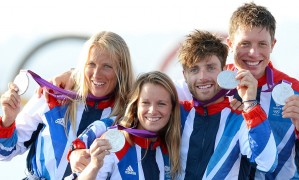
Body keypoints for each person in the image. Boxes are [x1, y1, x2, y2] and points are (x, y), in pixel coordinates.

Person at [0, 31, 134, 179]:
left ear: (122, 70)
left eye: (107, 66)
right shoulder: (54, 96)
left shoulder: (128, 116)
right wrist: (8, 120)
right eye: (91, 64)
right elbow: (5, 152)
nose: (96, 74)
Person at [177, 29, 277, 179]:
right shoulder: (176, 113)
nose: (203, 77)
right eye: (194, 69)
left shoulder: (240, 117)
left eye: (210, 68)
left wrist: (250, 104)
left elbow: (267, 163)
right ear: (185, 75)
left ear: (224, 70)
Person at [224, 3, 299, 179]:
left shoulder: (294, 90)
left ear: (273, 45)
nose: (253, 52)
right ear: (230, 44)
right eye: (245, 43)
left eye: (262, 44)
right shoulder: (214, 87)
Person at [66, 71, 181, 180]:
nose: (152, 110)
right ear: (136, 106)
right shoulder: (114, 141)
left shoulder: (171, 149)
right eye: (145, 103)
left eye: (161, 104)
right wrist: (94, 166)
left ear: (172, 109)